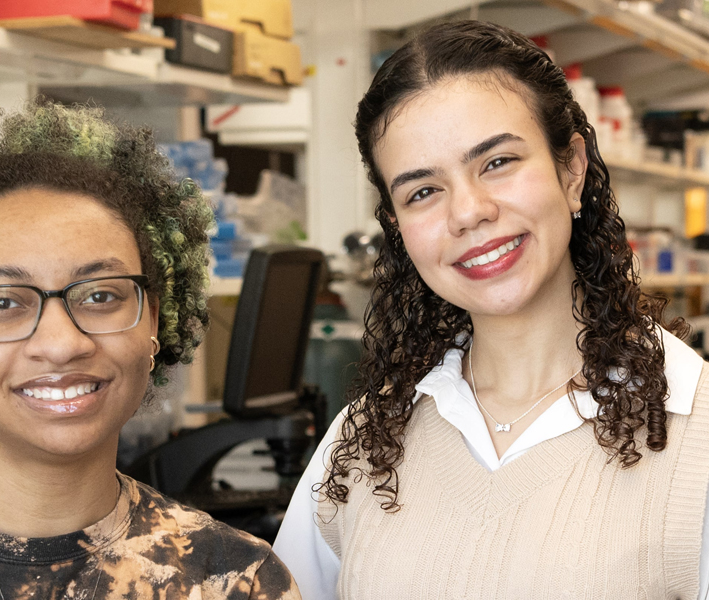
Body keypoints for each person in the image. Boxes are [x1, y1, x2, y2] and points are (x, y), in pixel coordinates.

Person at [273, 19, 709, 599]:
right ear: (399, 228)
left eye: (497, 162)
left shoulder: (694, 440)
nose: (469, 211)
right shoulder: (357, 445)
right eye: (422, 191)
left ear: (572, 169)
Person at [0, 100, 300, 600]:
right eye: (2, 303)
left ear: (151, 321)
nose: (62, 343)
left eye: (101, 295)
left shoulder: (233, 580)